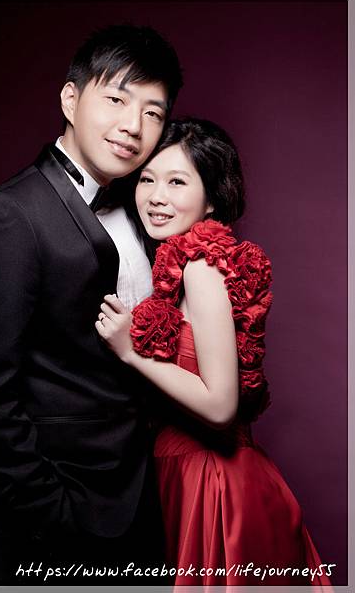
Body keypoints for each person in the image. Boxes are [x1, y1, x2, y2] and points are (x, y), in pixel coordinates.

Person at [0, 24, 182, 585]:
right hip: (58, 513)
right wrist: (48, 509)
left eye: (152, 113)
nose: (133, 126)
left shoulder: (145, 207)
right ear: (70, 98)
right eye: (117, 99)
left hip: (144, 496)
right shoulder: (9, 215)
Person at [95, 118, 335, 588]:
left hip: (214, 484)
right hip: (190, 474)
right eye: (147, 179)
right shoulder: (181, 261)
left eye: (177, 182)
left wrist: (130, 352)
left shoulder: (201, 268)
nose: (156, 196)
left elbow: (221, 405)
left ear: (211, 198)